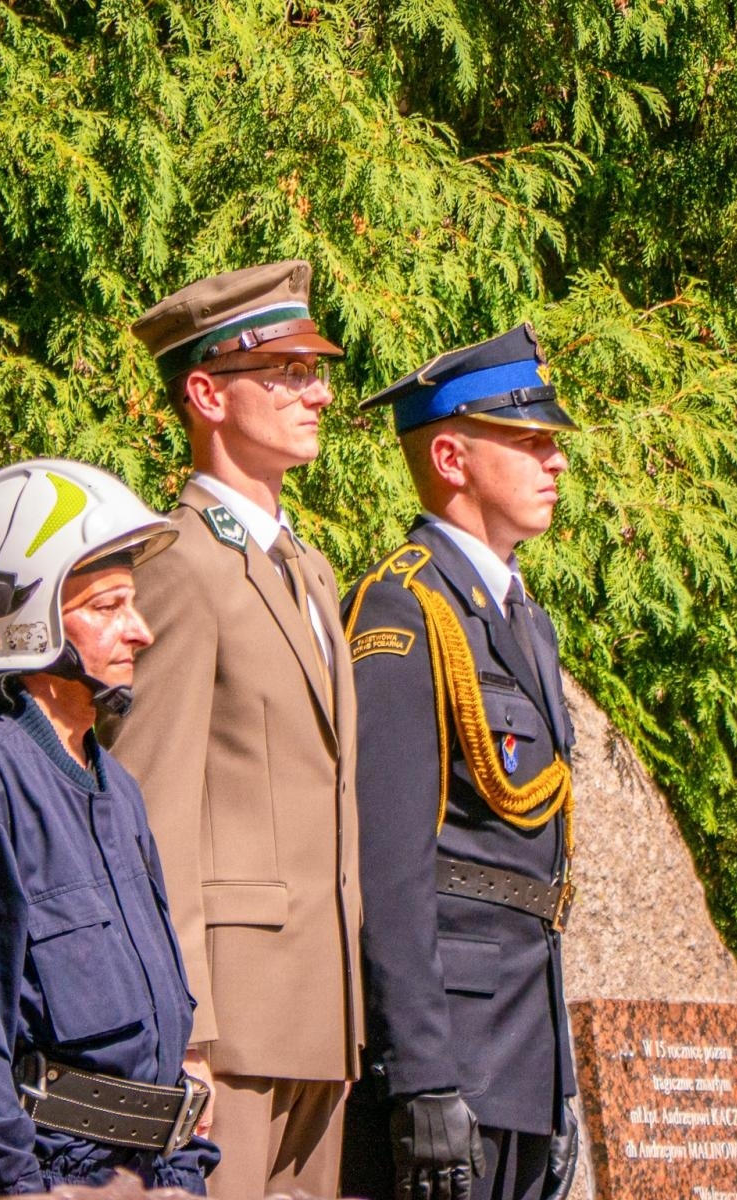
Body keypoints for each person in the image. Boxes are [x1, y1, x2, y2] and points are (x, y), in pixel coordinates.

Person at [0, 459, 218, 1199]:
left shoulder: (113, 787)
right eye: (108, 606)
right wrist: (19, 1188)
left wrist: (182, 1176)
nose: (143, 631)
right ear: (28, 622)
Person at [109, 261, 362, 1198]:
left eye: (316, 371)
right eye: (285, 374)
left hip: (322, 1018)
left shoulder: (315, 571)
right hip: (232, 1029)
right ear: (207, 394)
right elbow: (153, 811)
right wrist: (184, 1031)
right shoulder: (178, 567)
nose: (318, 393)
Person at [339, 325, 581, 1200]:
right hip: (453, 1053)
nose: (555, 462)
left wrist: (558, 1080)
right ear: (450, 455)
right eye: (529, 441)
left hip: (520, 1049)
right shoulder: (403, 610)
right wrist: (421, 1077)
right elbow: (390, 867)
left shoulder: (524, 619)